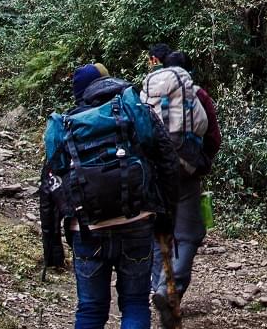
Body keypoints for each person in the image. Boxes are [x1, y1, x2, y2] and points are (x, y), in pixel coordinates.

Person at [40, 63, 179, 329]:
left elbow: (49, 187)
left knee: (91, 310)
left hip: (86, 228)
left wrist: (53, 248)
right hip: (138, 221)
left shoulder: (68, 125)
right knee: (136, 302)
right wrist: (166, 219)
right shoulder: (136, 113)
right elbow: (169, 165)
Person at [143, 45, 221, 313]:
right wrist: (200, 163)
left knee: (157, 230)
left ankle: (156, 287)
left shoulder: (150, 91)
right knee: (189, 234)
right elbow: (213, 137)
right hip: (184, 171)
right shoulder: (196, 93)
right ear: (188, 70)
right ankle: (169, 290)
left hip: (152, 170)